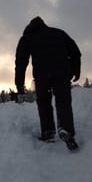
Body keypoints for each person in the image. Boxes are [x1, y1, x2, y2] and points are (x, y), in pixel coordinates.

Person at [15, 16, 81, 150]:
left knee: (44, 101)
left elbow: (21, 62)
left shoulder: (28, 38)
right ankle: (66, 129)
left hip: (42, 76)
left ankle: (48, 133)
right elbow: (75, 52)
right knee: (63, 101)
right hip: (62, 73)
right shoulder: (59, 33)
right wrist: (76, 70)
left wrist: (19, 84)